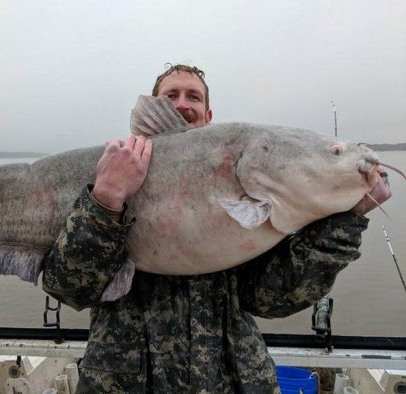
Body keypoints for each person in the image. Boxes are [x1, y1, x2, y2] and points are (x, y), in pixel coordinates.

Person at [43, 64, 391, 393]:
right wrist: (105, 200)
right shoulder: (107, 176)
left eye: (193, 96)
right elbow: (69, 287)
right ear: (149, 114)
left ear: (209, 116)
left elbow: (273, 298)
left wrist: (345, 222)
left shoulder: (256, 195)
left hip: (230, 380)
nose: (182, 104)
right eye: (170, 96)